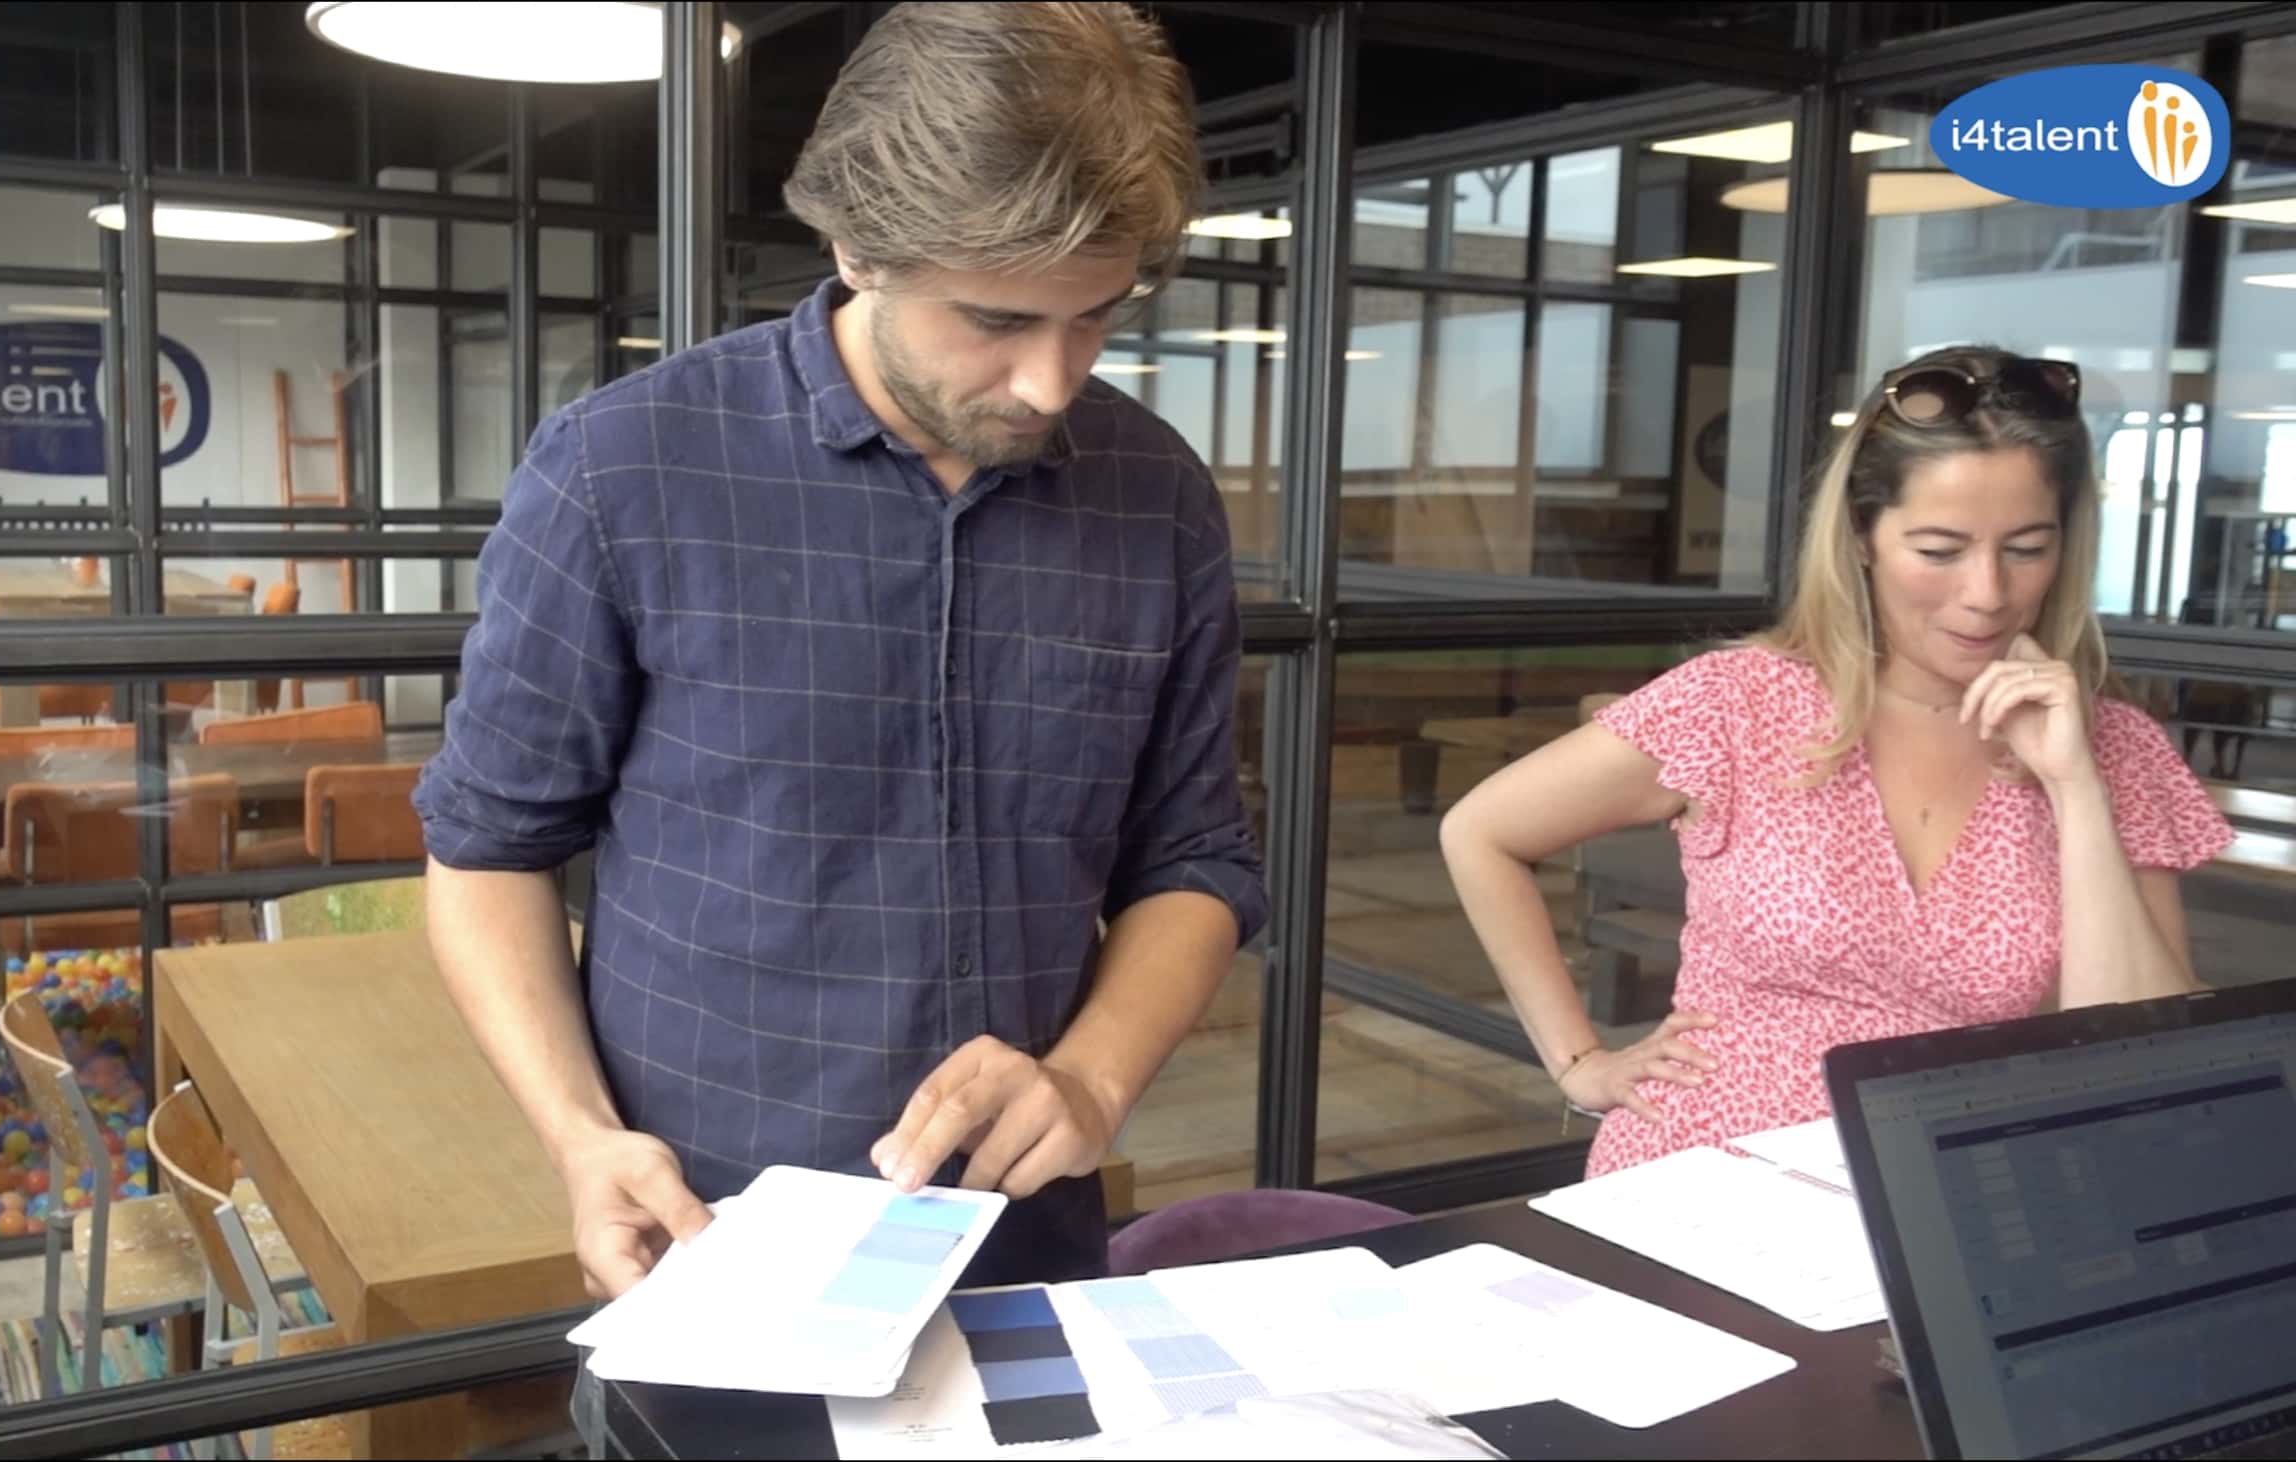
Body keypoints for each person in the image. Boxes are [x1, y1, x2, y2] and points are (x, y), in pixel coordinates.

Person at [410, 0, 1267, 1307]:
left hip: (1023, 1238)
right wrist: (579, 1139)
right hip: (707, 1239)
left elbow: (1194, 855)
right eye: (996, 320)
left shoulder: (1155, 493)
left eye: (1096, 318)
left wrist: (1092, 1077)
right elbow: (487, 851)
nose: (1050, 382)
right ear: (857, 246)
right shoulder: (624, 470)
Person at [1440, 346, 2234, 1178]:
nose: (1987, 593)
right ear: (1861, 536)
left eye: (2027, 548)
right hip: (1696, 1178)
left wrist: (2074, 786)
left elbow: (2145, 1058)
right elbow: (1481, 832)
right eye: (1939, 550)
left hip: (1945, 1193)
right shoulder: (1736, 703)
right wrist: (1579, 1063)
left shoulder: (2109, 749)